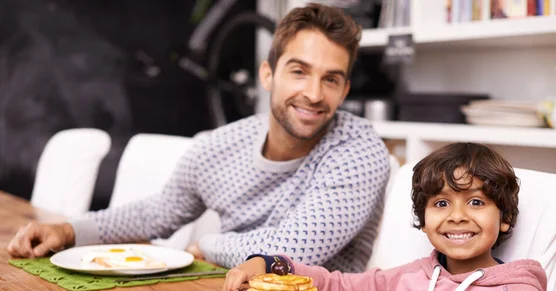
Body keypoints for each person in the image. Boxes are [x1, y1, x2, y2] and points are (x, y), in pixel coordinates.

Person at [7, 3, 390, 272]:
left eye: (331, 79)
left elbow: (292, 253)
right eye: (299, 72)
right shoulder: (219, 147)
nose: (314, 93)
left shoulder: (358, 150)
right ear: (268, 74)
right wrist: (71, 230)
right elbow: (157, 213)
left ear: (344, 90)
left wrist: (207, 247)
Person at [223, 142, 553, 291]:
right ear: (423, 221)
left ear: (505, 217)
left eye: (476, 202)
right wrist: (271, 264)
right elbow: (339, 288)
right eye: (441, 203)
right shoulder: (406, 279)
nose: (457, 216)